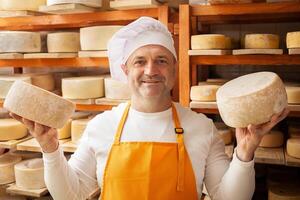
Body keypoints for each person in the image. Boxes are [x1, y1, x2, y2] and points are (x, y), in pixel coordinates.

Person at [8, 17, 289, 200]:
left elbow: (229, 198)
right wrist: (50, 149)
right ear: (125, 69)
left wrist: (244, 153)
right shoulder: (101, 127)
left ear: (175, 68)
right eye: (140, 61)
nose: (151, 70)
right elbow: (69, 195)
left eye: (162, 60)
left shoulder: (200, 127)